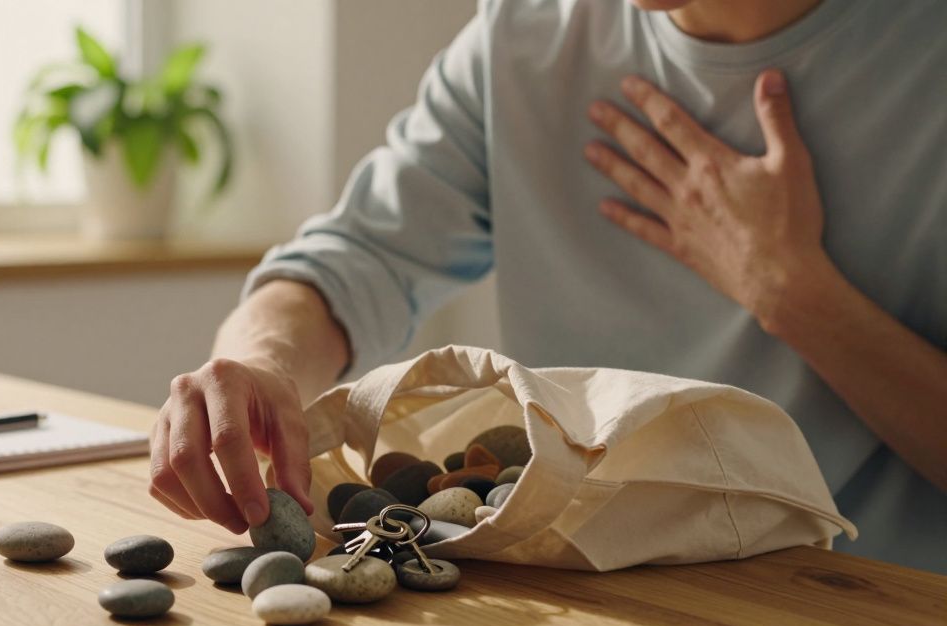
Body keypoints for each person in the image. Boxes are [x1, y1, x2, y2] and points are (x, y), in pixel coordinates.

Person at [147, 0, 947, 573]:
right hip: (571, 611)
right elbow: (354, 259)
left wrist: (791, 293)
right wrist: (261, 364)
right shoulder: (520, 35)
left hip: (870, 619)